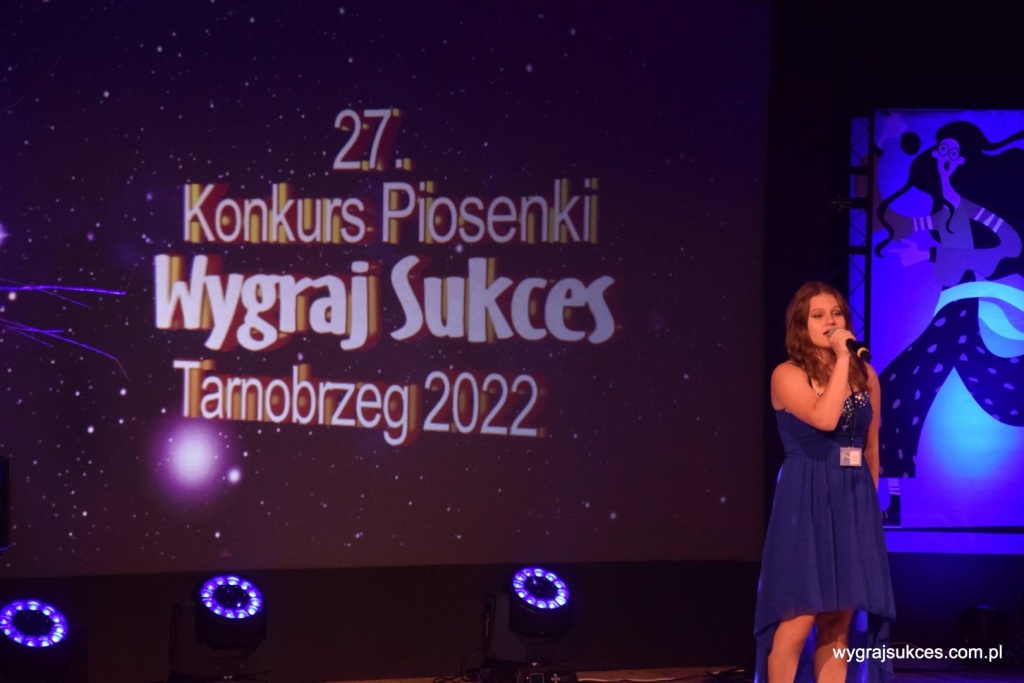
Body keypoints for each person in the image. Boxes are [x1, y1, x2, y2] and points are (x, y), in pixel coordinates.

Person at [754, 282, 895, 682]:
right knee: (798, 616)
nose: (830, 322)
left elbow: (871, 446)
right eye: (818, 316)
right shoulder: (786, 374)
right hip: (805, 497)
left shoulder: (866, 374)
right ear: (801, 324)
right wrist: (841, 359)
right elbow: (824, 418)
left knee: (838, 622)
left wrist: (869, 504)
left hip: (853, 498)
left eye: (836, 314)